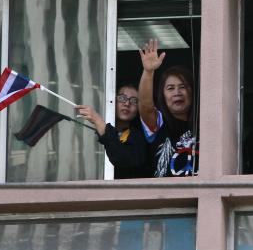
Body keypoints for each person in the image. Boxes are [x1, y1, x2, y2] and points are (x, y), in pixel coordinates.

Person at [137, 39, 198, 177]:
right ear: (162, 95)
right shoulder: (159, 123)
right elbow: (145, 107)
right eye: (170, 88)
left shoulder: (204, 125)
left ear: (192, 91)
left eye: (183, 87)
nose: (177, 92)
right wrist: (148, 72)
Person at [76, 84, 149, 179]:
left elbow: (123, 159)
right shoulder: (92, 129)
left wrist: (98, 121)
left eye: (134, 101)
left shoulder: (141, 137)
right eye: (122, 98)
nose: (127, 103)